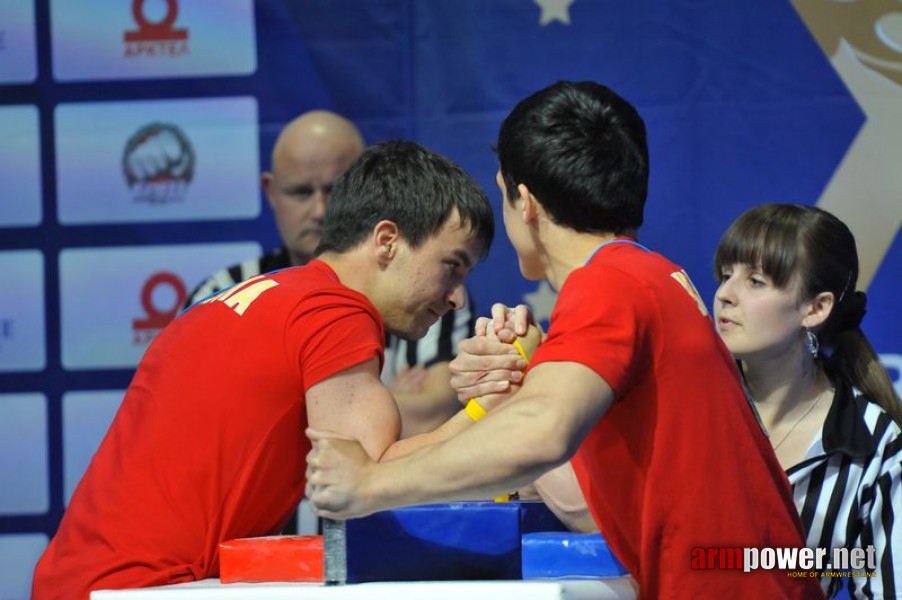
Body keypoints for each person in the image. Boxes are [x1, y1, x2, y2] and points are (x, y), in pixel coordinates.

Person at [305, 81, 823, 598]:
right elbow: (583, 500)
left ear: (524, 202)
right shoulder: (647, 275)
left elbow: (541, 434)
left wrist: (370, 484)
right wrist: (523, 382)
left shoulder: (609, 284)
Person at [31, 140, 496, 598]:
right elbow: (365, 486)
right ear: (387, 241)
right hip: (143, 589)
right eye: (452, 266)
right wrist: (492, 410)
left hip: (76, 581)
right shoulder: (334, 311)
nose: (456, 296)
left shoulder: (237, 299)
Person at [184, 110, 474, 438]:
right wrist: (370, 398)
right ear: (271, 191)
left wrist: (302, 402)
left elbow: (431, 414)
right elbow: (207, 419)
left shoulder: (428, 293)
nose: (320, 210)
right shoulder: (223, 290)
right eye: (300, 192)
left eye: (334, 189)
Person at [713, 203, 902, 599]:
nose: (725, 295)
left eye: (756, 281)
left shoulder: (878, 444)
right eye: (726, 275)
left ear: (816, 308)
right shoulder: (690, 406)